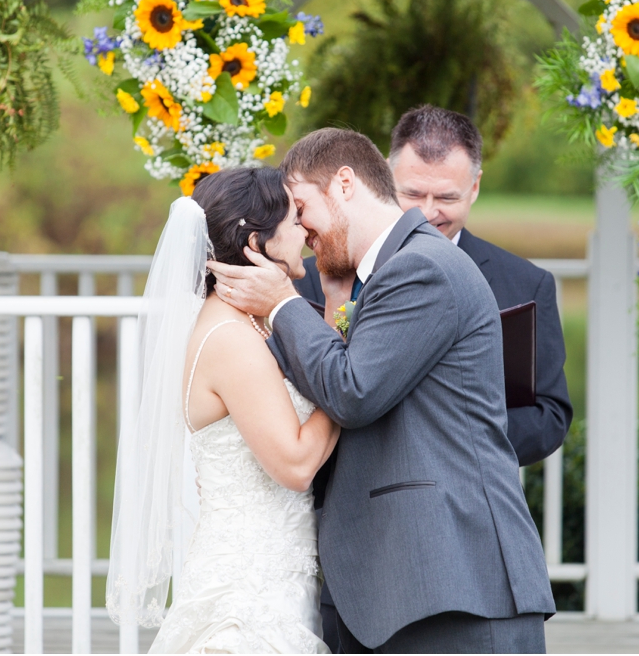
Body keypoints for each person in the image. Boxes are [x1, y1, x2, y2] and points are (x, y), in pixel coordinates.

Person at [209, 128, 555, 653]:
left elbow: (353, 390)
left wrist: (281, 304)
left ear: (344, 184)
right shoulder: (376, 275)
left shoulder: (421, 267)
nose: (300, 228)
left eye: (301, 206)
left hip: (451, 584)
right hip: (398, 585)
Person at [106, 167, 339, 653]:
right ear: (257, 243)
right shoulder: (231, 338)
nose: (305, 231)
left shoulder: (252, 326)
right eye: (294, 220)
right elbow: (295, 464)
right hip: (245, 593)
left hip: (276, 578)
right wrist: (347, 372)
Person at [297, 105, 572, 467]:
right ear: (384, 174)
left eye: (446, 198)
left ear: (474, 187)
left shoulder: (525, 283)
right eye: (412, 194)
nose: (427, 213)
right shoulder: (312, 278)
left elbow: (549, 416)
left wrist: (447, 442)